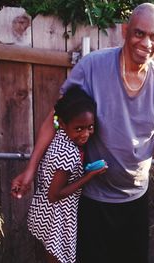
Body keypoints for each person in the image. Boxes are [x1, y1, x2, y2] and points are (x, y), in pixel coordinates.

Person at [11, 3, 154, 263]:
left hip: (134, 198)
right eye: (139, 33)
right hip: (92, 197)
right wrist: (31, 169)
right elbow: (54, 119)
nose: (146, 42)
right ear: (125, 31)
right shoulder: (92, 67)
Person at [12, 86, 107, 263]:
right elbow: (55, 195)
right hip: (57, 216)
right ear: (62, 124)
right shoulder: (68, 152)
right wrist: (90, 176)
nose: (85, 134)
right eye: (79, 129)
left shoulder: (60, 138)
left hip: (47, 211)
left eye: (90, 127)